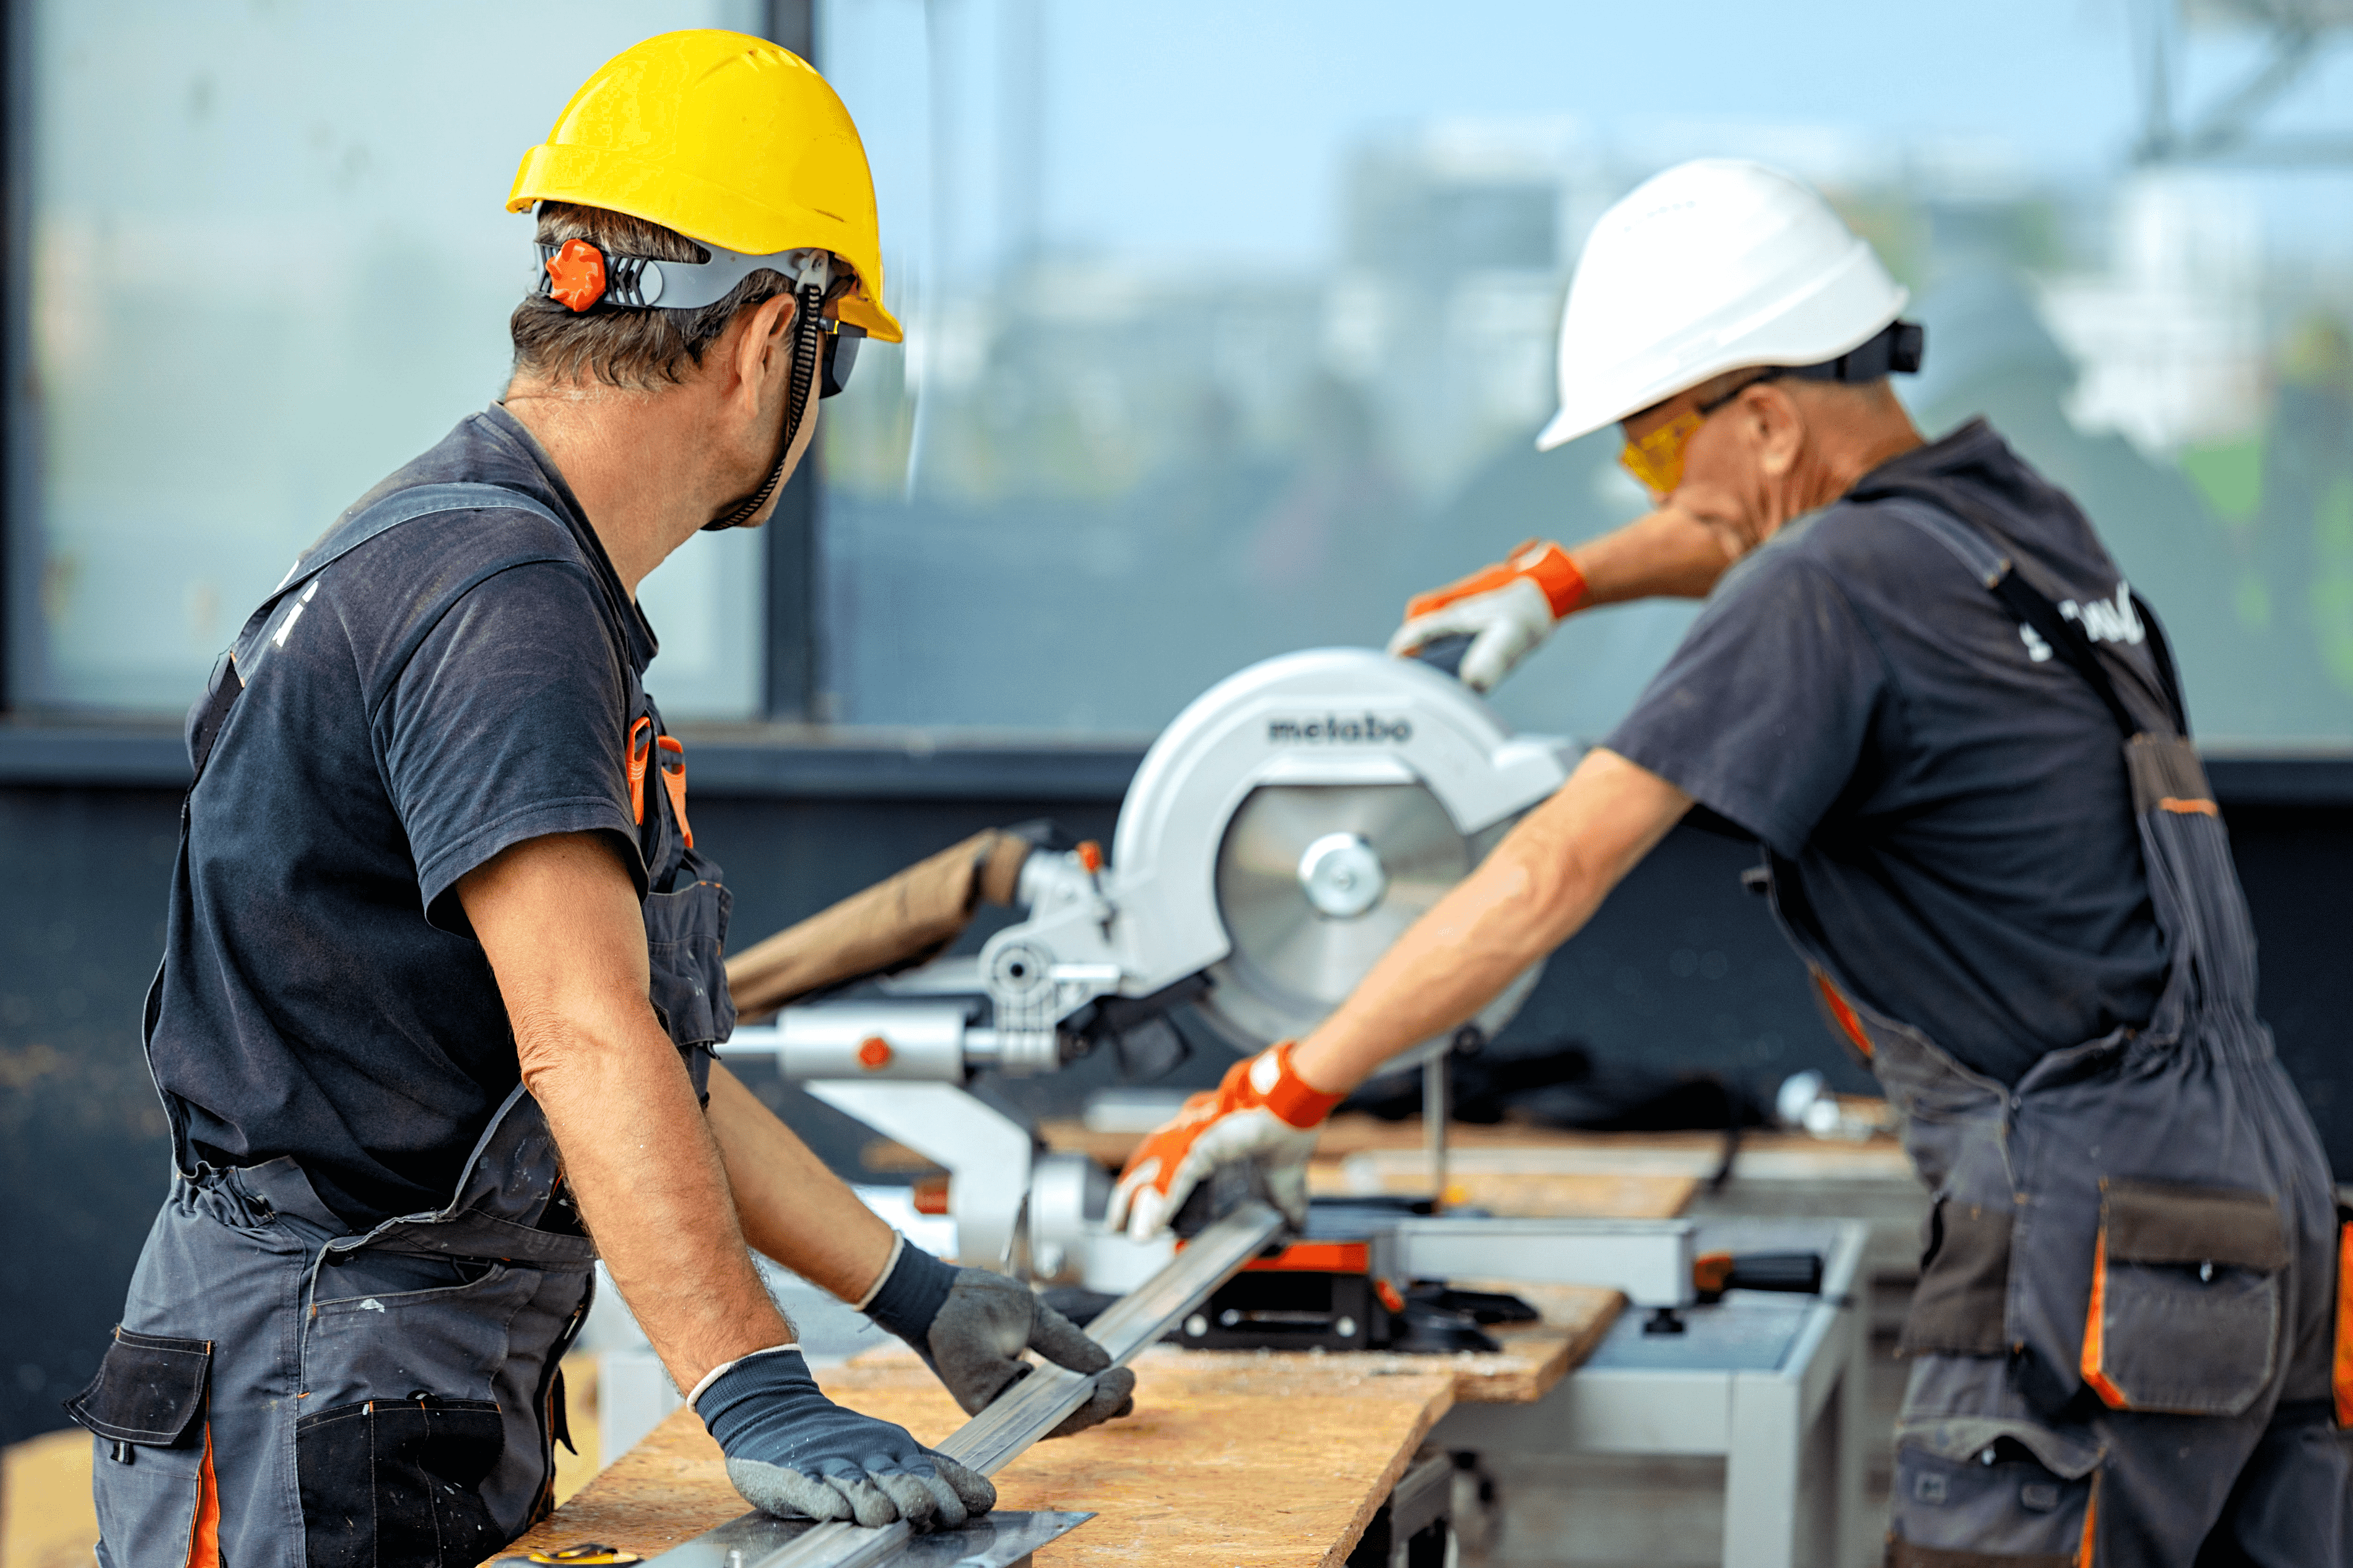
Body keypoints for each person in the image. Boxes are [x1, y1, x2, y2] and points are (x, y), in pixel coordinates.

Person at [1107, 159, 2345, 1564]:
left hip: (2095, 1256)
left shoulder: (1824, 592)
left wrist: (1290, 1080)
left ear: (1761, 416)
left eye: (1644, 450)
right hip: (2264, 1214)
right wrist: (1568, 579)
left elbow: (1545, 876)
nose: (1645, 485)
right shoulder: (2014, 526)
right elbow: (1738, 533)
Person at [67, 32, 1128, 1566]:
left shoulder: (474, 558)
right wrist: (757, 1395)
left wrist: (918, 1298)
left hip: (374, 1372)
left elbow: (639, 1062)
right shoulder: (501, 599)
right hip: (315, 1390)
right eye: (834, 362)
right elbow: (585, 1035)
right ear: (772, 336)